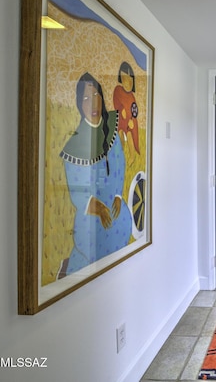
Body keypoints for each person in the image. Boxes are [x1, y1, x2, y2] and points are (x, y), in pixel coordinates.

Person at [58, 72, 132, 277]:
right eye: (86, 98)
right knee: (88, 250)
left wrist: (118, 195)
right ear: (79, 104)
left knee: (121, 224)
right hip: (92, 213)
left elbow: (120, 164)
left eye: (96, 96)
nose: (93, 103)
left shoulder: (111, 130)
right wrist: (96, 206)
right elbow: (77, 191)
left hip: (114, 205)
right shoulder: (75, 145)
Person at [113, 61, 140, 154]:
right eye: (124, 79)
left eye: (130, 80)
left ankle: (132, 156)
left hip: (129, 121)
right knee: (120, 133)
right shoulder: (118, 90)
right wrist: (121, 109)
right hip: (121, 120)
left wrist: (132, 119)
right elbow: (116, 102)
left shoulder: (132, 96)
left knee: (129, 134)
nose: (127, 83)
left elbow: (134, 110)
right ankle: (120, 153)